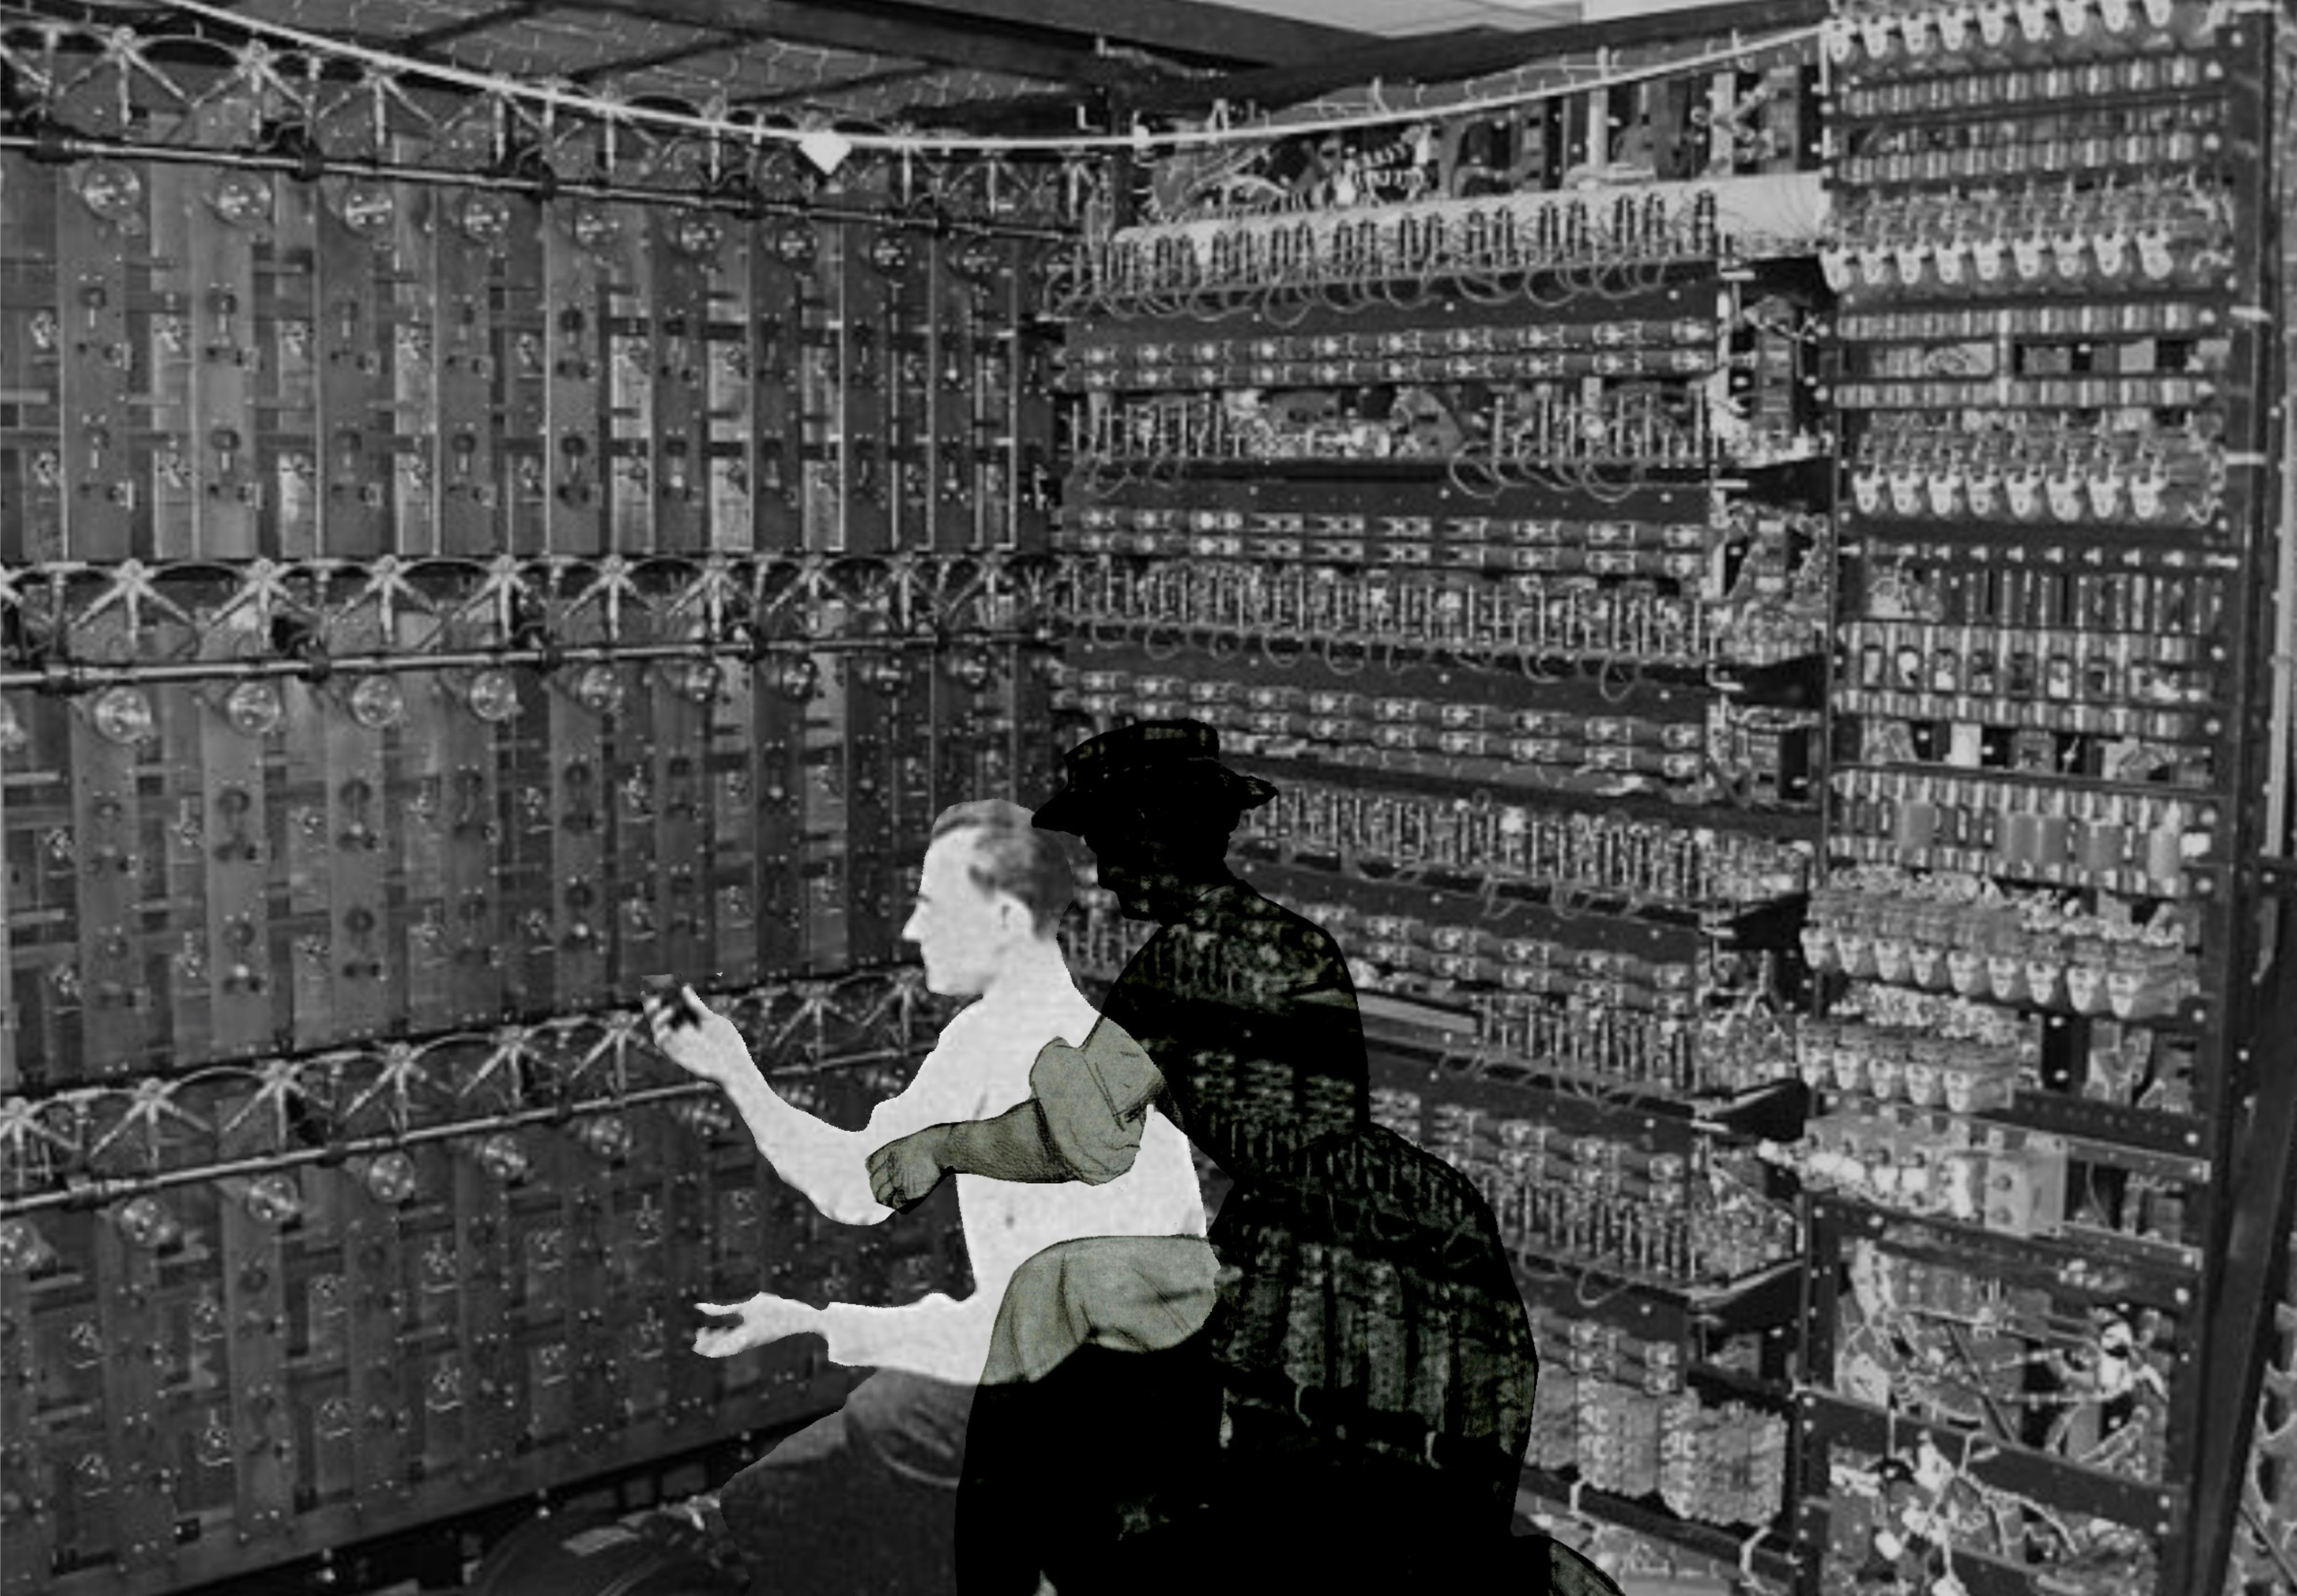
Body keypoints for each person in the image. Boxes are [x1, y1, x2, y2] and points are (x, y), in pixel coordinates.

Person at [866, 721, 1626, 1595]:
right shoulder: (1285, 935)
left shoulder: (1186, 959)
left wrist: (945, 1145)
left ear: (1156, 835)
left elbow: (1077, 1144)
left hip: (1319, 1255)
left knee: (1293, 1503)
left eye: (1112, 844)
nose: (1106, 875)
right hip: (1415, 1223)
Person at [647, 799, 1207, 1595]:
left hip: (1107, 1417)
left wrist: (814, 1322)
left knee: (894, 1416)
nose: (912, 931)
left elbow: (1011, 1345)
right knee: (765, 1504)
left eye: (933, 906)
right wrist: (737, 1073)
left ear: (1008, 918)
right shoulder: (983, 1037)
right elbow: (857, 1183)